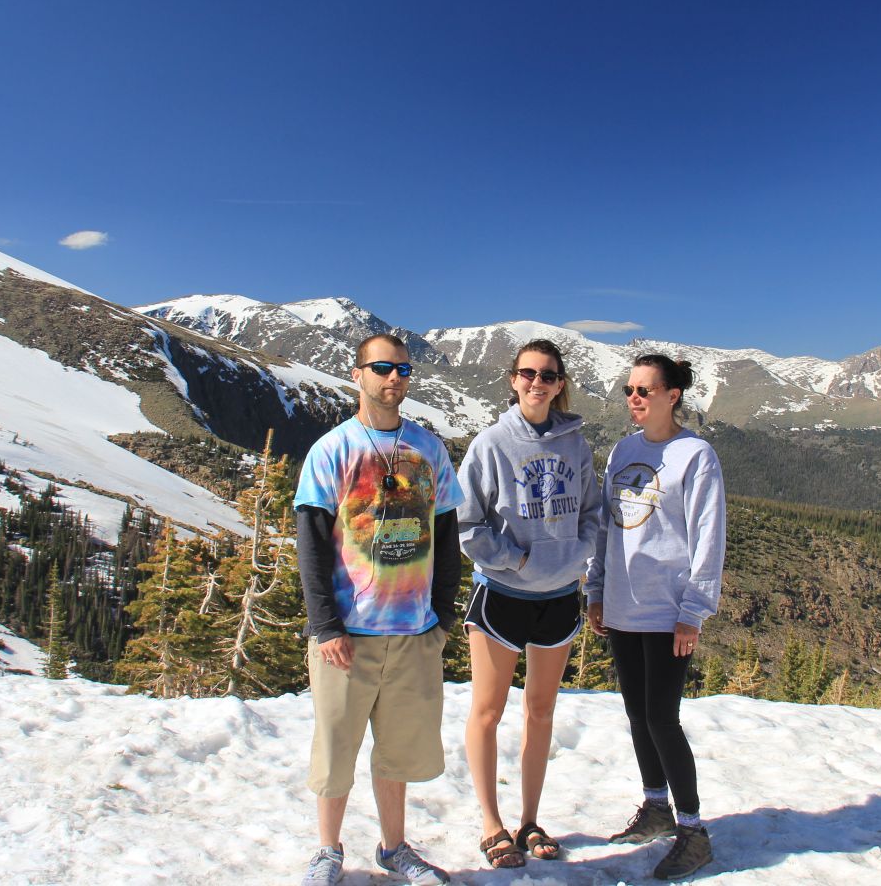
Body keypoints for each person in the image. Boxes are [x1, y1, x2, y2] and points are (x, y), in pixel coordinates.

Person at [295, 333, 463, 886]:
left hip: (414, 632)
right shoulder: (333, 450)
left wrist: (439, 617)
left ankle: (395, 848)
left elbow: (445, 533)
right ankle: (327, 850)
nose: (394, 379)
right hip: (348, 635)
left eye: (403, 370)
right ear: (358, 374)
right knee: (336, 748)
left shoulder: (428, 450)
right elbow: (313, 545)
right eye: (383, 368)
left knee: (398, 751)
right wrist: (324, 624)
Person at [456, 339, 603, 869]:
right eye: (527, 373)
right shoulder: (491, 443)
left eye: (547, 375)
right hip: (502, 594)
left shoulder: (576, 444)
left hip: (560, 596)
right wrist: (516, 561)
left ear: (560, 384)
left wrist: (577, 554)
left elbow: (592, 509)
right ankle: (492, 823)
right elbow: (467, 524)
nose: (536, 382)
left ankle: (530, 820)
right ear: (512, 380)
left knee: (541, 712)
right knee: (488, 711)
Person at [585, 354, 726, 881]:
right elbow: (605, 526)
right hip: (623, 605)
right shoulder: (623, 449)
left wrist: (694, 611)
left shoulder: (696, 455)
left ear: (673, 395)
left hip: (668, 610)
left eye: (645, 390)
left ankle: (693, 831)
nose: (634, 399)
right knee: (638, 714)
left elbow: (709, 539)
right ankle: (656, 809)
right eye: (629, 390)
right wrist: (596, 589)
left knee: (663, 718)